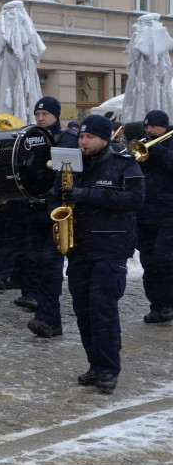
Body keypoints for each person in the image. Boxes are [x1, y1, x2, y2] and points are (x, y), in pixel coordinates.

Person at [47, 114, 143, 393]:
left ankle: (109, 369)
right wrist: (56, 212)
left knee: (103, 310)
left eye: (89, 138)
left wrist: (88, 194)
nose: (84, 142)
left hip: (111, 247)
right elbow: (56, 196)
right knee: (84, 311)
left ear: (105, 139)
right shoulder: (71, 165)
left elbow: (135, 200)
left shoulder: (125, 164)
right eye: (81, 137)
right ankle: (95, 365)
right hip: (80, 248)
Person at [24, 96, 81, 338]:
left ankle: (48, 318)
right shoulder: (32, 137)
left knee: (50, 264)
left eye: (45, 114)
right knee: (36, 262)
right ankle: (48, 316)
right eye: (38, 114)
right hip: (36, 207)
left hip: (58, 209)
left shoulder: (67, 140)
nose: (40, 118)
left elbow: (67, 176)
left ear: (57, 115)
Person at [137, 110, 173, 323]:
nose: (150, 130)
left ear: (165, 127)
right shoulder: (144, 144)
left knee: (164, 259)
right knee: (148, 262)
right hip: (145, 213)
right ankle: (156, 305)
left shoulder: (167, 144)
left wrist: (161, 153)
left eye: (154, 127)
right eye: (147, 127)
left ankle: (169, 303)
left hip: (168, 212)